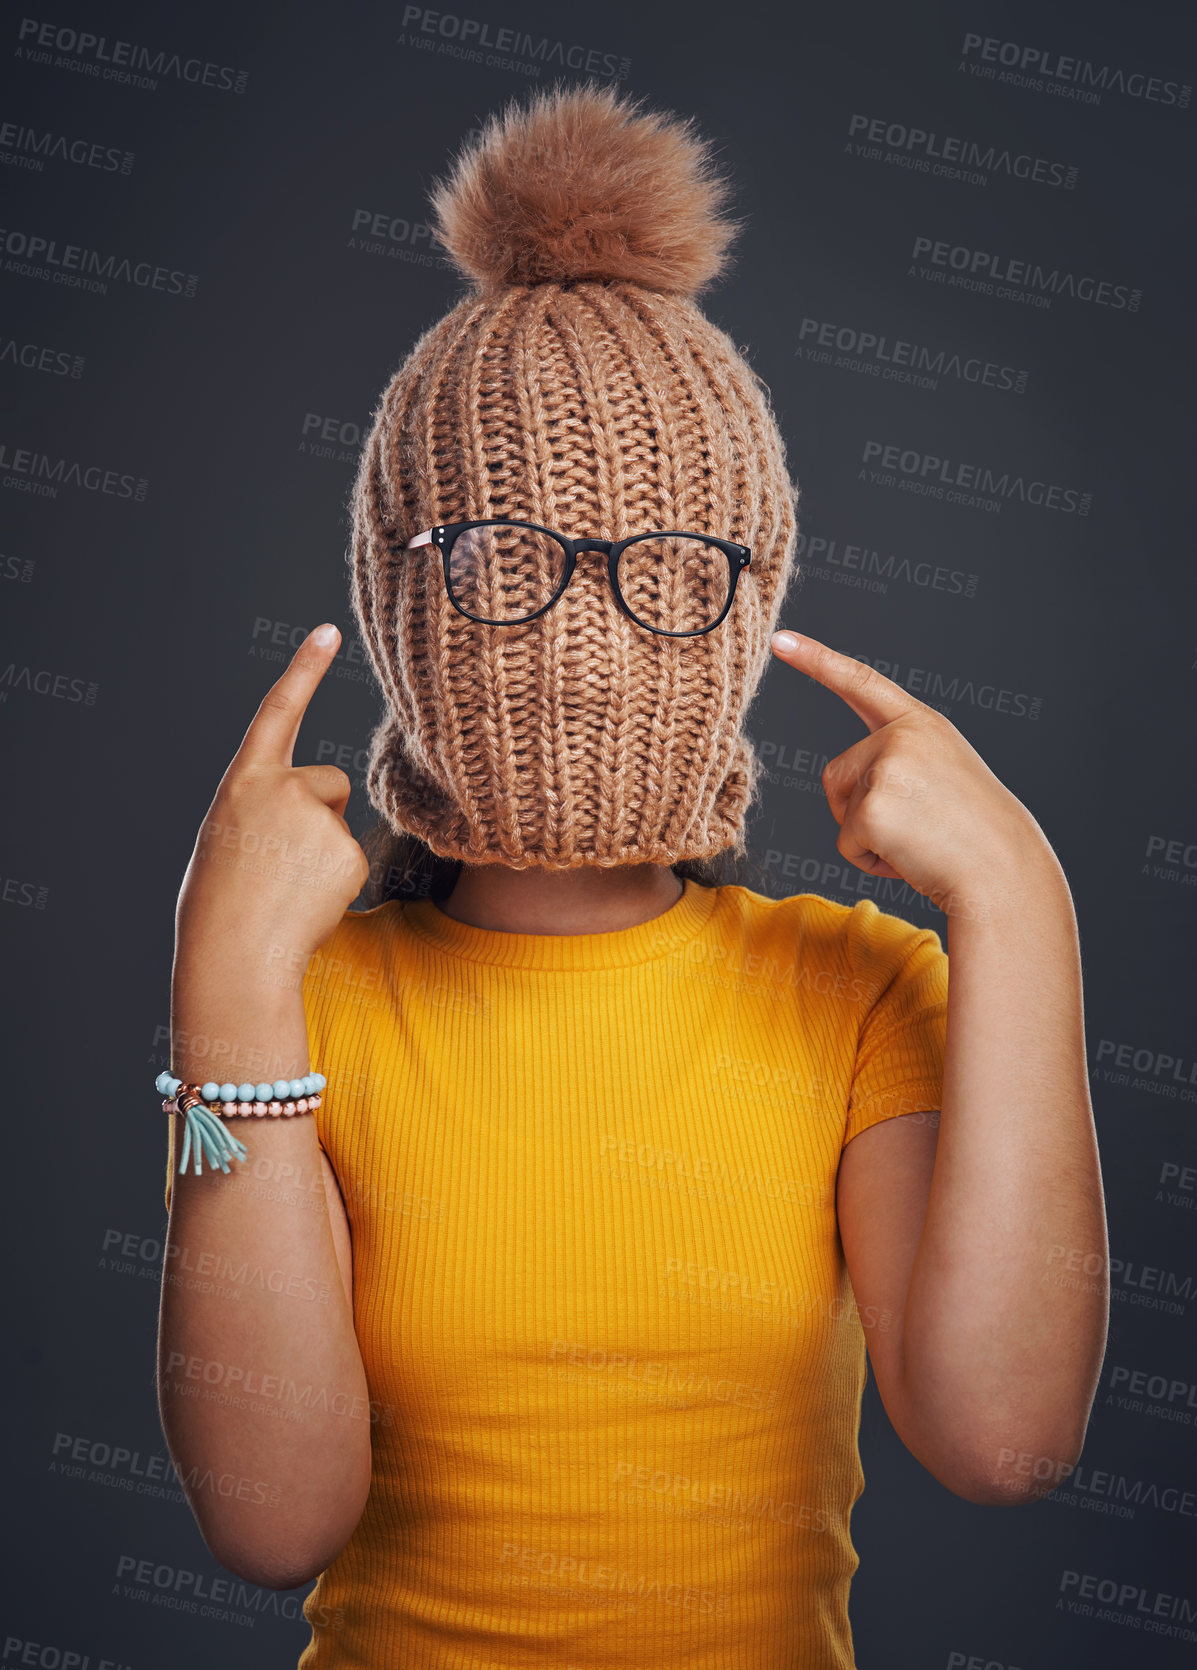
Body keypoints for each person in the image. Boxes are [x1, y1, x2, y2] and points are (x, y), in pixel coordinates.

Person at [157, 79, 1108, 1670]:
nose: (582, 636)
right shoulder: (294, 1000)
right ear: (402, 597)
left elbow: (1003, 1439)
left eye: (666, 572)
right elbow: (268, 1519)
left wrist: (1022, 902)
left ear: (746, 598)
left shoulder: (860, 989)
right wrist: (218, 1001)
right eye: (500, 558)